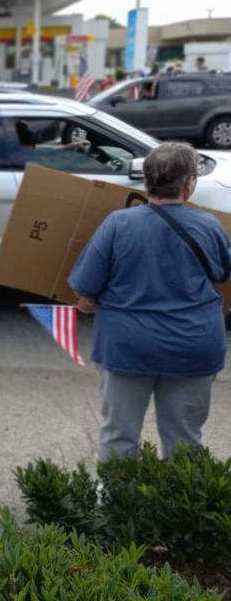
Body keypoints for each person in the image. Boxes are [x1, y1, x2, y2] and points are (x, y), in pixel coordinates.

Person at [69, 142, 231, 461]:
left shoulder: (118, 223)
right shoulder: (209, 226)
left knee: (118, 437)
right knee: (184, 439)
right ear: (189, 184)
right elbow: (224, 273)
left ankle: (118, 509)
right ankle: (179, 510)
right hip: (193, 346)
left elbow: (85, 289)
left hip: (128, 347)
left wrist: (87, 303)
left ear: (146, 182)